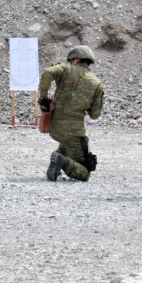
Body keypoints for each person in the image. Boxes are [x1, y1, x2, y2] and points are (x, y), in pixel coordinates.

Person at [38, 45, 104, 182]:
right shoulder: (97, 83)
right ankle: (61, 161)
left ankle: (57, 159)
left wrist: (44, 97)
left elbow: (48, 71)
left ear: (75, 59)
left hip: (54, 127)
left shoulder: (65, 69)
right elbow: (95, 115)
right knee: (84, 172)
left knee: (66, 144)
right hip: (74, 131)